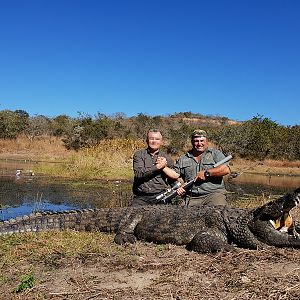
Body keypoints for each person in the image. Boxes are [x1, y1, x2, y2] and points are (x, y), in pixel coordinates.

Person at [163, 129, 231, 206]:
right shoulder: (183, 158)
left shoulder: (215, 154)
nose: (199, 143)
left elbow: (226, 170)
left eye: (202, 141)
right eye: (196, 141)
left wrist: (207, 173)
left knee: (219, 213)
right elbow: (174, 174)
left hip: (213, 195)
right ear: (192, 142)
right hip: (191, 197)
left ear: (207, 142)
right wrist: (177, 186)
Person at [131, 129, 175, 206]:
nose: (154, 141)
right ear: (147, 140)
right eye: (151, 138)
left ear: (161, 141)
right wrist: (158, 167)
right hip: (141, 198)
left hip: (161, 196)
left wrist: (179, 188)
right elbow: (139, 174)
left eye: (157, 139)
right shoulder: (138, 155)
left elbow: (172, 179)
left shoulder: (167, 158)